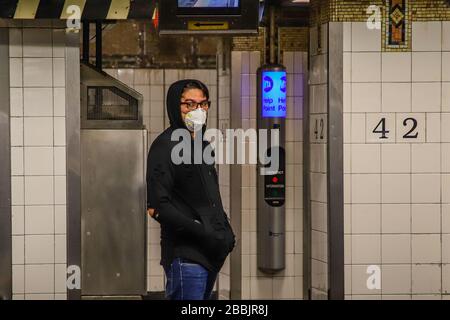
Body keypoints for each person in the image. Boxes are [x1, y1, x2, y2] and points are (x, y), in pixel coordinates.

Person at [146, 79, 235, 300]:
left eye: (203, 104)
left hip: (211, 252)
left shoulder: (202, 146)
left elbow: (210, 196)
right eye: (189, 104)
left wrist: (224, 230)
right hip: (186, 255)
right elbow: (158, 206)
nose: (198, 110)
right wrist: (202, 231)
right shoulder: (165, 146)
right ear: (175, 107)